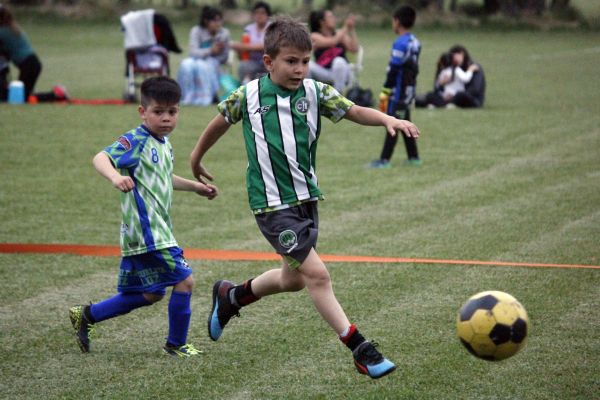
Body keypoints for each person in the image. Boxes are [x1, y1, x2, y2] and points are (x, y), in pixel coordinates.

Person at [190, 18, 420, 379]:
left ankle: (231, 297)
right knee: (317, 275)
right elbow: (220, 120)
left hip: (305, 199)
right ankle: (360, 348)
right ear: (269, 62)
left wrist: (388, 119)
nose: (299, 69)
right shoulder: (248, 95)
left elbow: (354, 111)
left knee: (294, 278)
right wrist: (196, 158)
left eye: (304, 61)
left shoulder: (316, 92)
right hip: (271, 205)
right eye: (290, 61)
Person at [69, 77, 218, 357]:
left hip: (154, 229)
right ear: (143, 112)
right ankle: (176, 345)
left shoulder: (164, 143)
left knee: (151, 293)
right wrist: (115, 176)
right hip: (147, 230)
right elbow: (101, 157)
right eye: (158, 112)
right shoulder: (136, 139)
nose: (166, 118)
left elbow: (162, 176)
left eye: (172, 112)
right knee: (185, 281)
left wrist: (195, 187)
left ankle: (87, 315)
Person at [369, 5, 421, 169]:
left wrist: (386, 89)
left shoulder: (400, 43)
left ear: (397, 22)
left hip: (399, 90)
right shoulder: (415, 41)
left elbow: (394, 69)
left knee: (392, 121)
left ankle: (384, 160)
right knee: (404, 119)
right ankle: (414, 157)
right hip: (410, 89)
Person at [0, 4, 68, 102]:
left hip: (29, 66)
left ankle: (57, 95)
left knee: (20, 97)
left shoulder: (2, 32)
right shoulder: (12, 27)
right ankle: (56, 94)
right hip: (33, 63)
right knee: (22, 95)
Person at [177, 6, 230, 106]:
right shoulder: (196, 31)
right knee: (186, 64)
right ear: (206, 21)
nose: (218, 24)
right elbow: (193, 52)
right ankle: (187, 96)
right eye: (215, 21)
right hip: (195, 59)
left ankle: (205, 97)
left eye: (219, 20)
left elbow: (224, 57)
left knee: (203, 66)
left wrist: (217, 52)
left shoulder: (224, 33)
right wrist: (210, 50)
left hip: (214, 61)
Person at [416, 45, 486, 109]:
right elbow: (436, 88)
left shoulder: (473, 68)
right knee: (428, 96)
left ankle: (442, 104)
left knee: (461, 95)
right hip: (447, 97)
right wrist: (442, 84)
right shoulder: (446, 68)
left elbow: (474, 89)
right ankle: (442, 104)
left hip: (469, 98)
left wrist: (453, 96)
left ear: (462, 54)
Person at [308, 9, 359, 93]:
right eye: (330, 17)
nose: (334, 19)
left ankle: (337, 98)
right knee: (308, 65)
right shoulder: (315, 36)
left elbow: (355, 49)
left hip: (342, 73)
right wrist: (346, 27)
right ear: (322, 22)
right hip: (324, 73)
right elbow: (332, 42)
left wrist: (351, 29)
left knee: (339, 61)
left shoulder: (340, 34)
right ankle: (309, 95)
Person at [230, 1, 271, 83]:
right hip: (253, 62)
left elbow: (268, 46)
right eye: (257, 13)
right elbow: (242, 54)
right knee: (243, 66)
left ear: (268, 15)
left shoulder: (272, 28)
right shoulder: (248, 29)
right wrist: (239, 49)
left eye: (262, 13)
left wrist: (242, 46)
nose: (259, 16)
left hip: (269, 62)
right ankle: (246, 89)